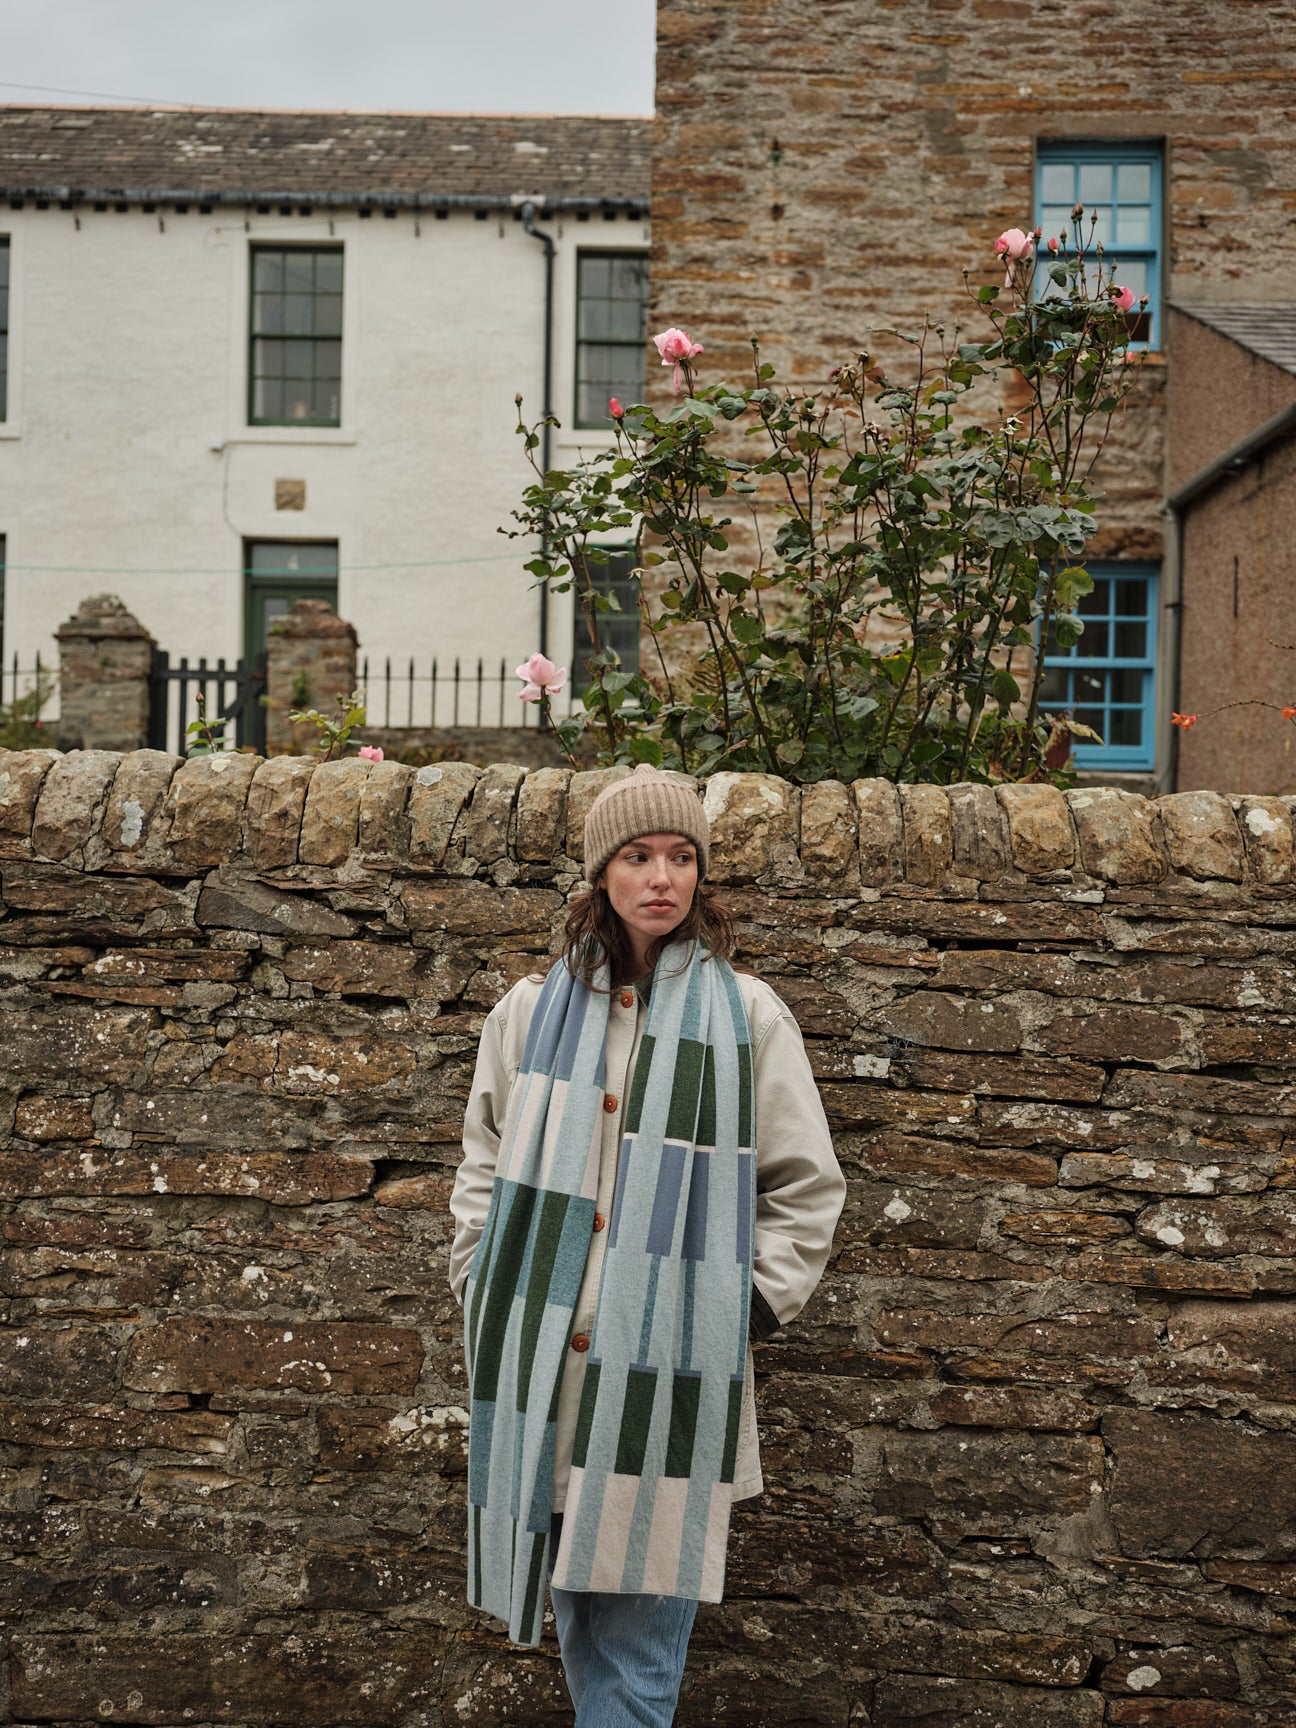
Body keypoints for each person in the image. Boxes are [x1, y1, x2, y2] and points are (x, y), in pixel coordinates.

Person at [449, 764, 845, 1727]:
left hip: (669, 1373)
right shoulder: (526, 1015)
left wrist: (737, 1312)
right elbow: (482, 1168)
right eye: (638, 857)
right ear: (602, 876)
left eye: (680, 857)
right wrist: (480, 1285)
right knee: (585, 1632)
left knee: (636, 1653)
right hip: (543, 1368)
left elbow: (806, 1189)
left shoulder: (747, 1016)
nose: (661, 876)